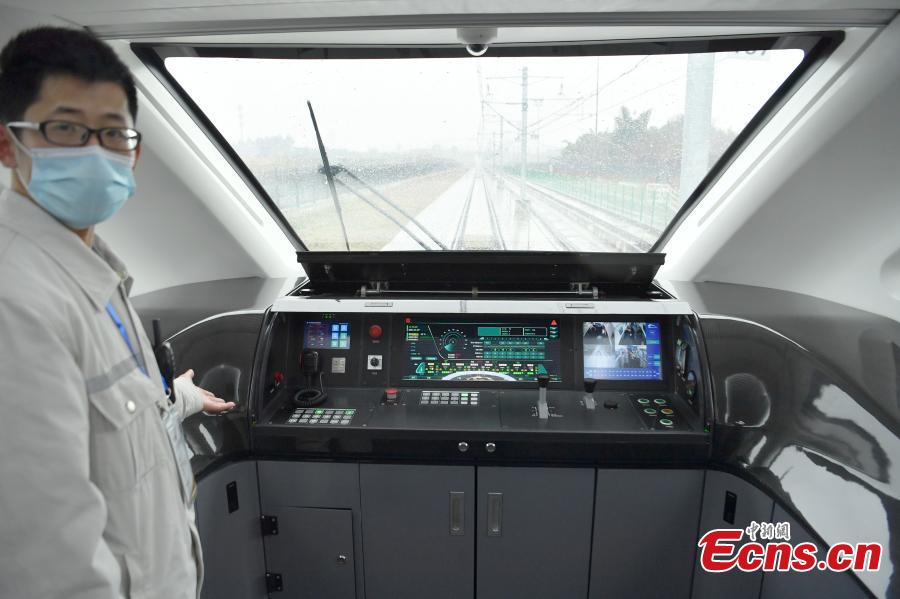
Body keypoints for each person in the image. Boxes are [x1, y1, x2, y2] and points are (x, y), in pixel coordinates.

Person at [0, 27, 234, 598]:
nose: (93, 150)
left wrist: (178, 398)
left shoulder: (94, 274)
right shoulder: (17, 301)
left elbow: (110, 420)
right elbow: (48, 565)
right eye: (65, 129)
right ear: (8, 145)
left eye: (112, 133)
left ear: (134, 152)